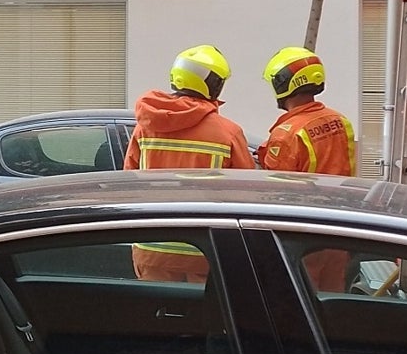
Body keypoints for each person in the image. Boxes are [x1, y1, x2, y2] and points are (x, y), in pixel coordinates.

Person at [125, 44, 256, 282]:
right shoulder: (228, 133)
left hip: (152, 248)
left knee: (158, 316)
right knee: (206, 319)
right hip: (205, 250)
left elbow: (128, 181)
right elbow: (246, 192)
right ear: (213, 84)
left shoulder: (145, 128)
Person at [259, 46, 356, 291]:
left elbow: (273, 190)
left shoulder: (287, 134)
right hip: (338, 227)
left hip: (304, 233)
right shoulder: (339, 120)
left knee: (301, 300)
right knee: (332, 301)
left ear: (283, 83)